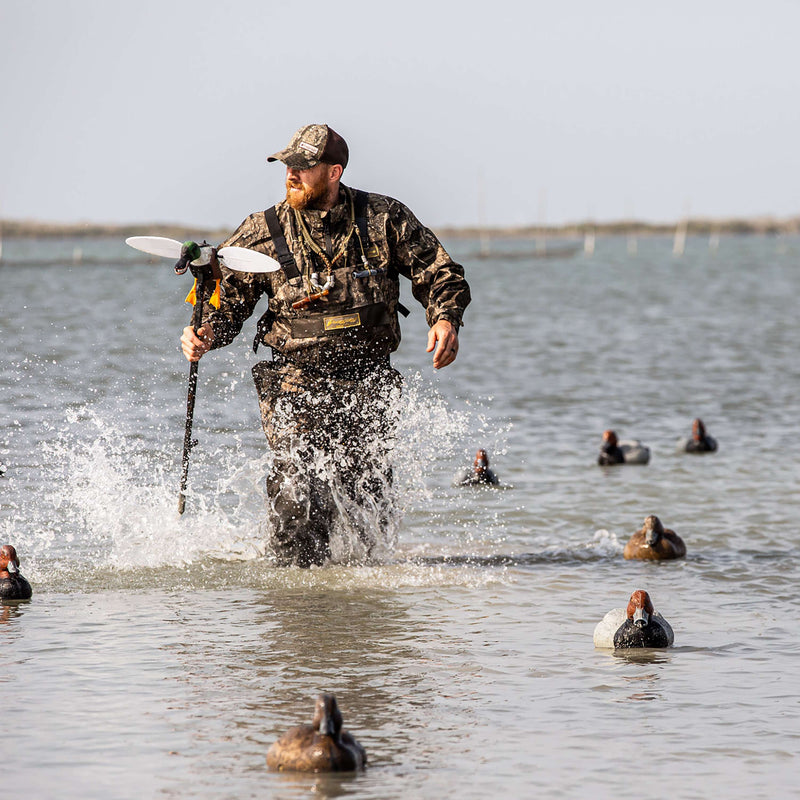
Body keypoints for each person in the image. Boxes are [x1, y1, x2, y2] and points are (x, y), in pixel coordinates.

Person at [181, 124, 471, 566]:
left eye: (302, 166)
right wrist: (204, 335)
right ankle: (296, 598)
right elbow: (227, 306)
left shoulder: (384, 217)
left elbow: (441, 272)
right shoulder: (262, 230)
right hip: (293, 382)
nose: (290, 175)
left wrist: (445, 318)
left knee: (365, 503)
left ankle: (355, 611)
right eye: (287, 166)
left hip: (369, 378)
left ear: (334, 172)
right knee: (296, 491)